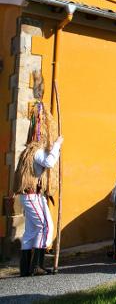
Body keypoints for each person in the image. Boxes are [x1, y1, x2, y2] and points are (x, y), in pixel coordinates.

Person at [12, 100, 62, 277]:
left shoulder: (27, 151)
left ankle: (25, 268)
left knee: (31, 230)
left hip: (29, 196)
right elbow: (49, 162)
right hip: (32, 196)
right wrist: (56, 145)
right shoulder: (36, 151)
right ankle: (36, 266)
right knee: (44, 225)